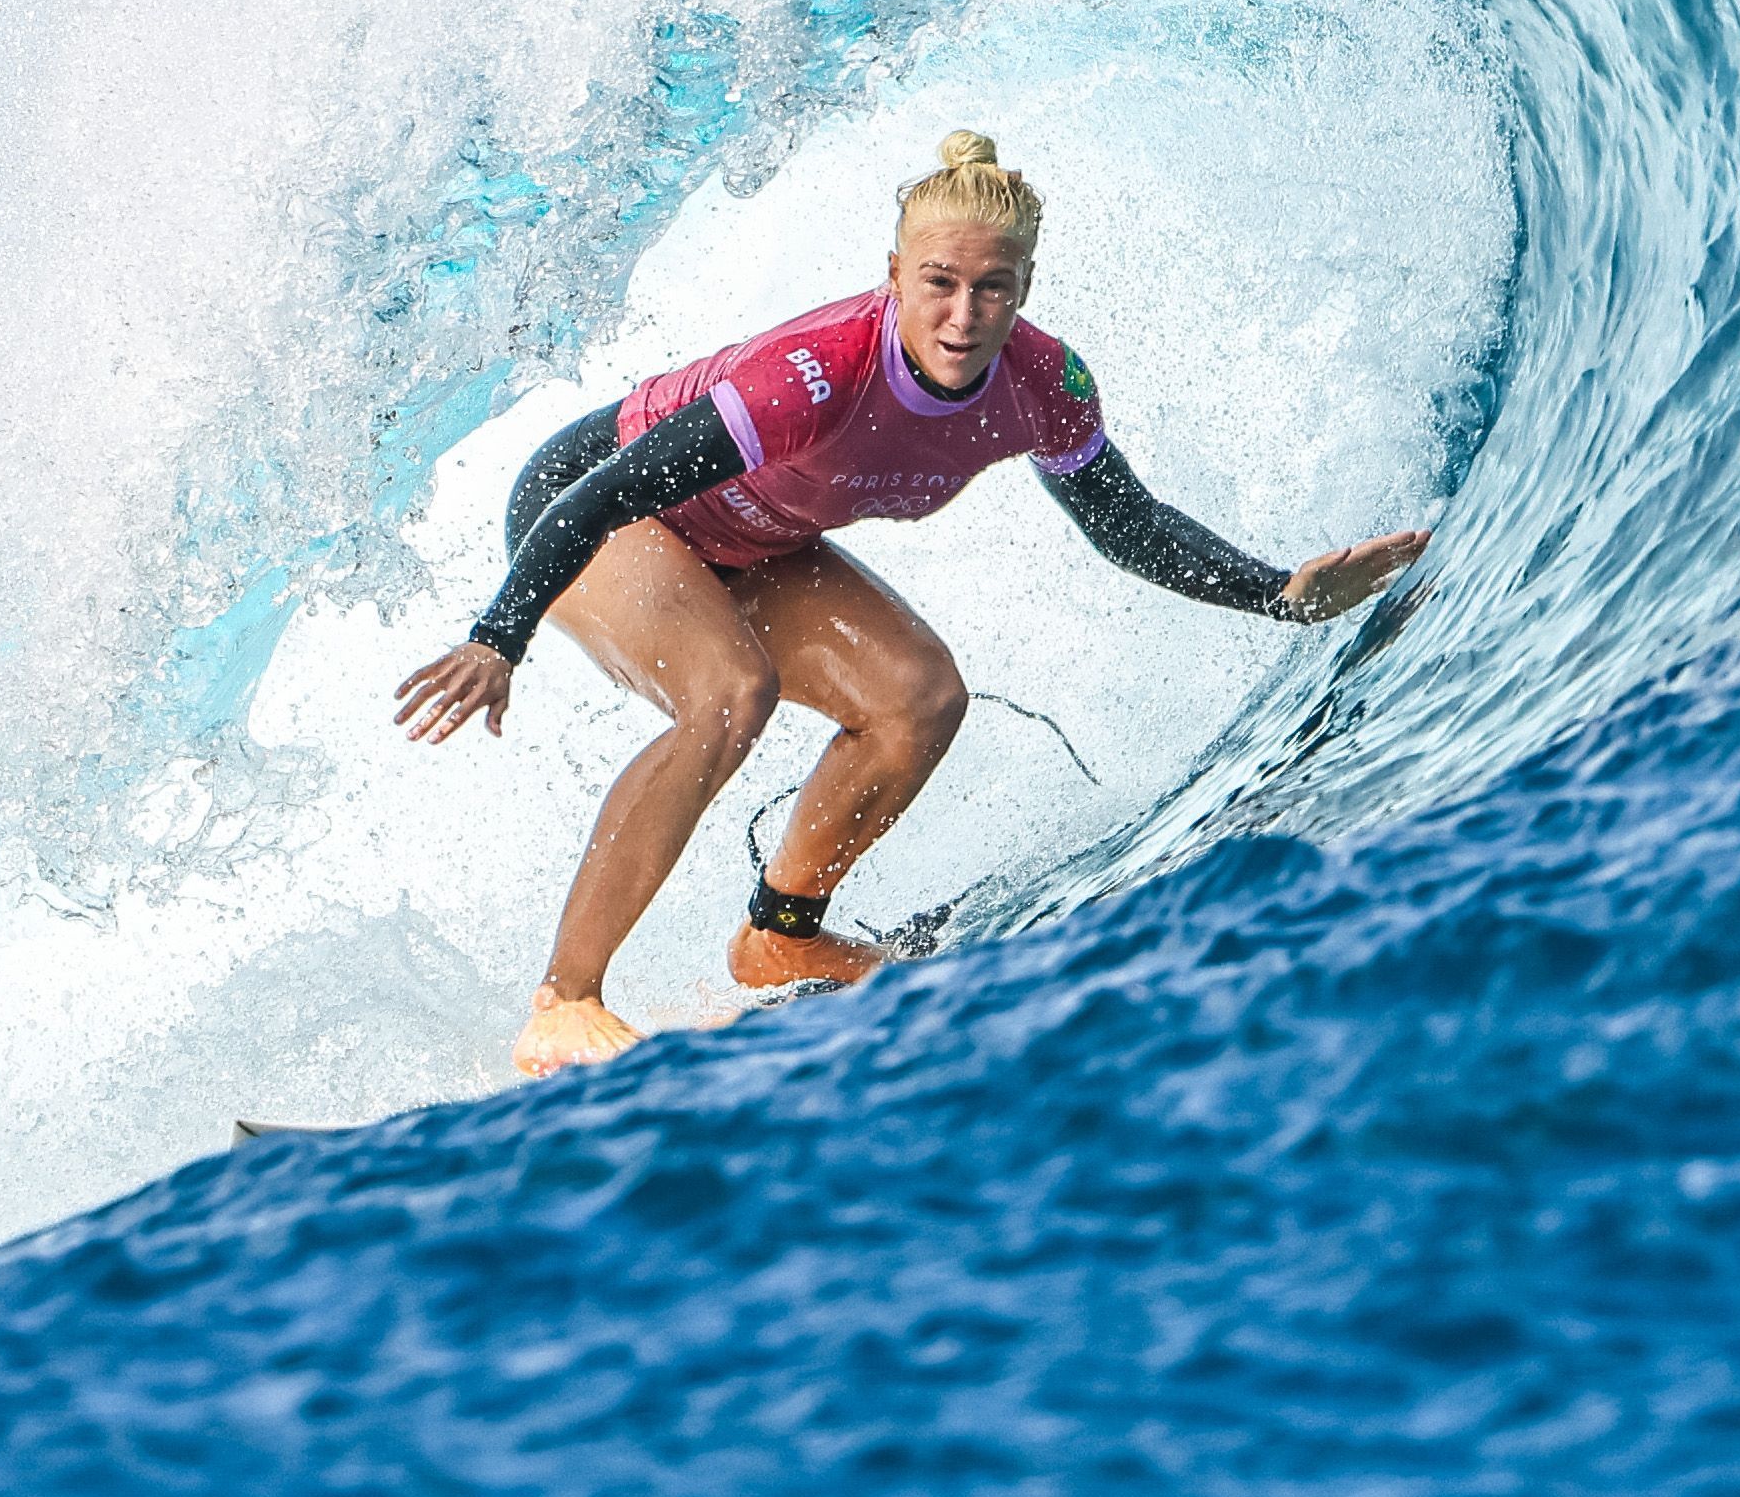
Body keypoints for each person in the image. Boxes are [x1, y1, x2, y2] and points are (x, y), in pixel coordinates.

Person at [393, 130, 1431, 1076]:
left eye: (992, 287)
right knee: (730, 691)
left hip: (753, 538)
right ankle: (564, 999)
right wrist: (498, 637)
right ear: (893, 275)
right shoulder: (811, 376)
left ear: (1023, 289)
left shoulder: (1043, 382)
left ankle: (781, 934)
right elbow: (600, 493)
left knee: (918, 696)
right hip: (596, 506)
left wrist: (1278, 595)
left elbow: (1125, 522)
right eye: (938, 282)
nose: (962, 314)